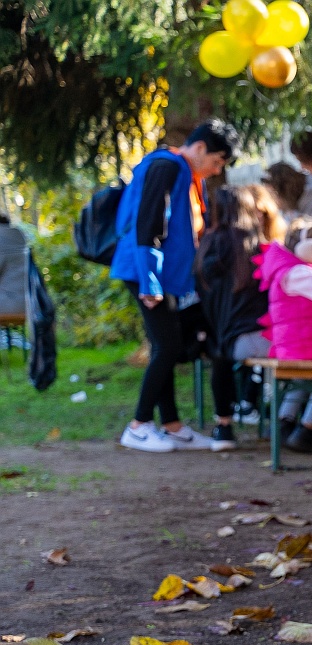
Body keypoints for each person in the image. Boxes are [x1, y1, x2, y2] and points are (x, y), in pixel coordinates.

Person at [111, 119, 235, 453]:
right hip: (146, 272)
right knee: (167, 345)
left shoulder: (187, 175)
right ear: (200, 148)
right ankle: (138, 426)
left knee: (166, 343)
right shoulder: (167, 166)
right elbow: (148, 221)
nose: (215, 169)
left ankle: (172, 426)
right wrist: (150, 279)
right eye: (217, 161)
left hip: (162, 275)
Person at [194, 184, 282, 448]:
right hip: (263, 339)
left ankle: (223, 427)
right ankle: (288, 421)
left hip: (222, 341)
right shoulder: (261, 247)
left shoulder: (206, 247)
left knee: (220, 351)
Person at [257, 219, 312, 453]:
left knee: (303, 380)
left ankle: (285, 421)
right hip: (306, 345)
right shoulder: (299, 273)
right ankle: (307, 428)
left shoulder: (286, 268)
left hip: (296, 346)